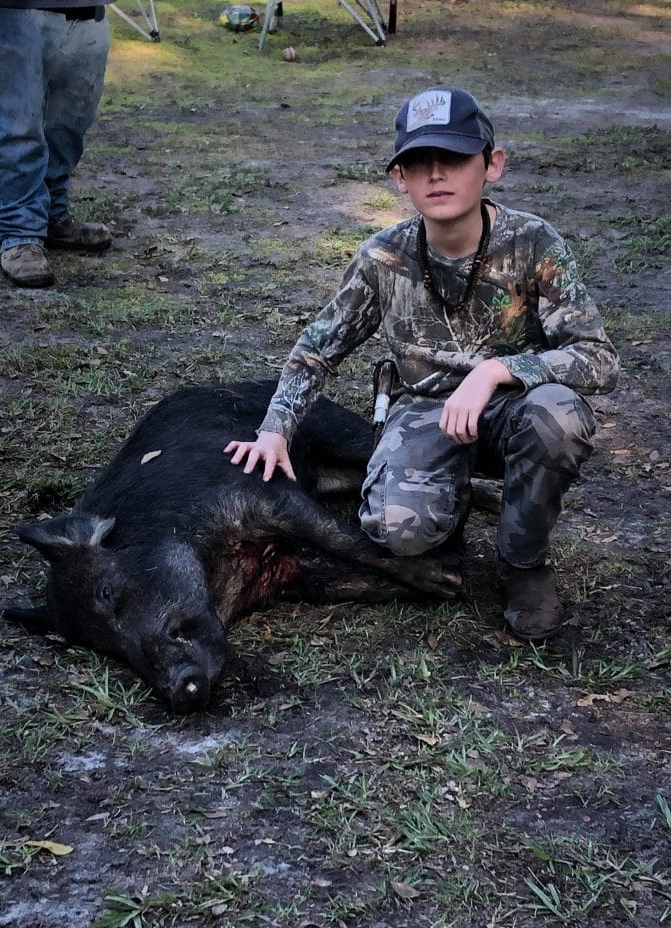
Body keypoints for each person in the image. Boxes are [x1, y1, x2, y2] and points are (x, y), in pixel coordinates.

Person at [224, 86, 619, 641]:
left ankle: (523, 564)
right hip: (426, 412)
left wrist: (494, 372)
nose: (437, 175)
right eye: (418, 163)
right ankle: (449, 500)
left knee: (559, 416)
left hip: (515, 410)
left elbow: (598, 358)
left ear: (492, 165)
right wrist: (274, 430)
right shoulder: (383, 256)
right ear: (399, 178)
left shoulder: (534, 244)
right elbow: (318, 346)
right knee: (398, 531)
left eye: (454, 159)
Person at [0, 0, 113, 287]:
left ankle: (51, 214)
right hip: (9, 8)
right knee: (16, 120)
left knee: (70, 120)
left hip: (86, 6)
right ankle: (18, 230)